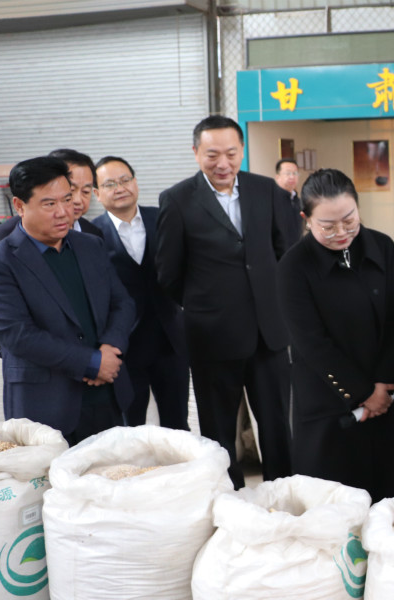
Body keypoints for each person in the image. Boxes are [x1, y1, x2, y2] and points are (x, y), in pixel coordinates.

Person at [156, 115, 295, 489]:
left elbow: (286, 253)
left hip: (268, 334)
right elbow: (168, 274)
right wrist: (207, 306)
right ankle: (228, 496)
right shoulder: (177, 199)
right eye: (212, 154)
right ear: (195, 152)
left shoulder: (266, 191)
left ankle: (284, 494)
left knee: (277, 424)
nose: (223, 163)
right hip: (212, 336)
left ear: (242, 151)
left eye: (231, 153)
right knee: (218, 430)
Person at [277, 168, 394, 502]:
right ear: (306, 219)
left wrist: (383, 383)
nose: (341, 232)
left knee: (389, 499)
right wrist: (362, 393)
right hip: (328, 400)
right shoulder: (294, 266)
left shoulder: (382, 247)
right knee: (332, 503)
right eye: (328, 226)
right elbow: (310, 341)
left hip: (383, 395)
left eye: (349, 220)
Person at [0, 156, 135, 446]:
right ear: (19, 205)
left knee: (110, 471)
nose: (63, 212)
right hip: (44, 405)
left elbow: (122, 303)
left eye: (67, 199)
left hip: (106, 394)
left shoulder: (91, 246)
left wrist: (111, 348)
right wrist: (91, 363)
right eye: (49, 204)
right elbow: (16, 335)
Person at [93, 156, 189, 430]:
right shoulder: (92, 234)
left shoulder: (163, 218)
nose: (120, 188)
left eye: (125, 180)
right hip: (124, 347)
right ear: (97, 193)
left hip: (170, 340)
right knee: (129, 428)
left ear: (135, 182)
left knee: (177, 423)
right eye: (110, 184)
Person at [0, 149, 102, 249]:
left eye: (86, 191)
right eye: (71, 191)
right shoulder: (2, 239)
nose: (78, 200)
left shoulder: (94, 234)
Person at [274, 158, 304, 243]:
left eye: (295, 173)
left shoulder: (298, 201)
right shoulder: (272, 200)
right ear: (277, 177)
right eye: (288, 173)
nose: (292, 177)